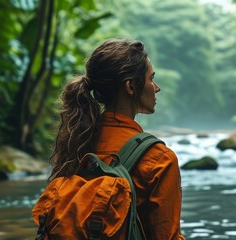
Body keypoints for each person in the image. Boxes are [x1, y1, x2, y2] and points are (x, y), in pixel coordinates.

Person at [48, 38, 185, 240]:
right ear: (131, 86)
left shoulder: (77, 143)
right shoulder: (159, 159)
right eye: (151, 79)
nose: (157, 88)